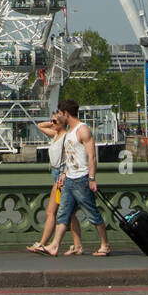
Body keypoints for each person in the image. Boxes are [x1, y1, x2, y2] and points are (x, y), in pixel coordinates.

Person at [43, 99, 112, 258]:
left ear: (66, 114)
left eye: (60, 114)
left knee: (92, 213)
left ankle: (105, 245)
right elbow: (70, 159)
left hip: (82, 179)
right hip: (69, 179)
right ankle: (54, 245)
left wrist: (92, 178)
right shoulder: (68, 132)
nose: (58, 117)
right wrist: (64, 175)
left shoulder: (83, 130)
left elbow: (92, 156)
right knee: (63, 212)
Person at [27, 111, 83, 256]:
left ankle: (43, 243)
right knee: (67, 213)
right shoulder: (55, 134)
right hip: (55, 173)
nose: (52, 124)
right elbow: (40, 126)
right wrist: (53, 121)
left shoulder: (66, 137)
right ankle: (77, 246)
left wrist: (64, 175)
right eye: (51, 121)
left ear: (62, 123)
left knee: (53, 211)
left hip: (62, 175)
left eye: (55, 122)